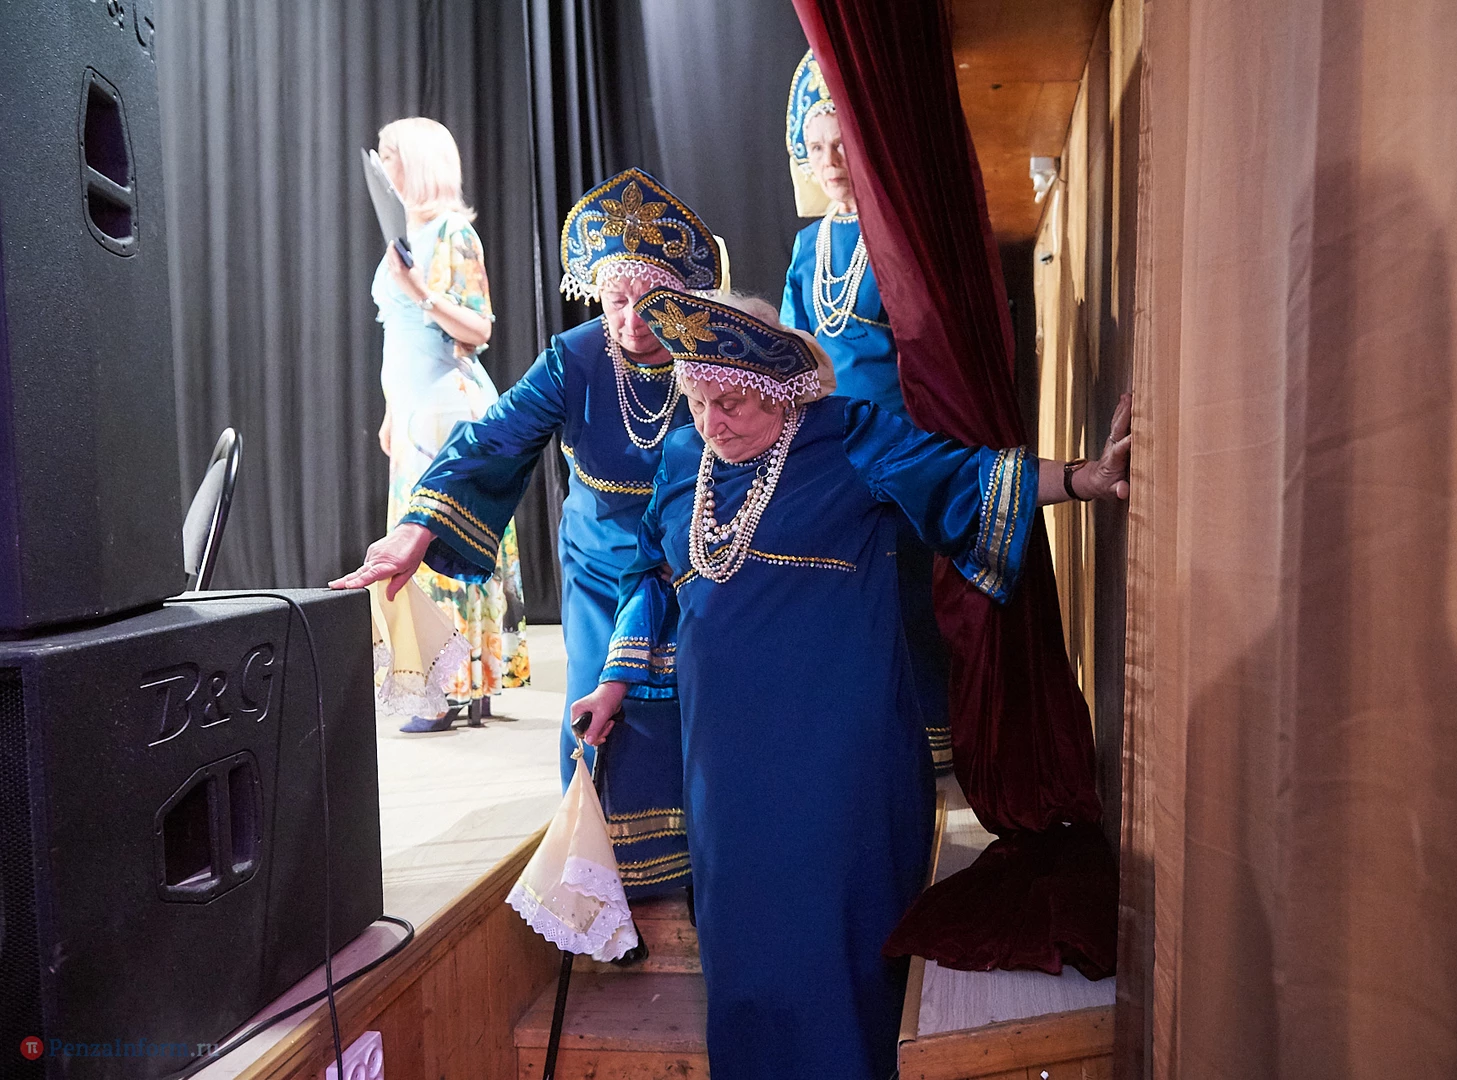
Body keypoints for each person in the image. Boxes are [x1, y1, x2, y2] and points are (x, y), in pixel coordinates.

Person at [571, 289, 1132, 1079]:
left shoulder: (845, 436)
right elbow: (650, 577)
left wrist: (1082, 479)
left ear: (776, 389)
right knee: (738, 926)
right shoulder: (679, 461)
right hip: (722, 750)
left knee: (832, 924)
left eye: (730, 402)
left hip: (837, 738)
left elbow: (963, 476)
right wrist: (614, 682)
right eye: (696, 402)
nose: (711, 422)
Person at [333, 168, 726, 896]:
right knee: (601, 710)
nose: (631, 320)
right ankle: (611, 894)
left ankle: (707, 875)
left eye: (650, 301)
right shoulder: (573, 357)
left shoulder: (712, 350)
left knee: (697, 702)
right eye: (616, 300)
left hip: (697, 558)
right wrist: (418, 525)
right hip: (602, 564)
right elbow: (494, 438)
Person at [780, 49, 953, 774]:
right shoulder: (806, 245)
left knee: (908, 588)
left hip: (897, 441)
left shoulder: (897, 235)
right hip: (830, 446)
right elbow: (792, 354)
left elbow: (929, 346)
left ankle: (931, 736)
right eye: (816, 147)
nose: (829, 162)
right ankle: (862, 732)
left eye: (842, 145)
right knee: (842, 591)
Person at [370, 116, 528, 733]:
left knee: (440, 536)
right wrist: (390, 410)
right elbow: (397, 337)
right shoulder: (408, 233)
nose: (385, 171)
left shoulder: (454, 233)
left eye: (391, 159)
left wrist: (419, 292)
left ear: (417, 164)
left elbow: (479, 328)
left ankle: (452, 685)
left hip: (447, 406)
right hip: (415, 408)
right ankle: (458, 680)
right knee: (418, 538)